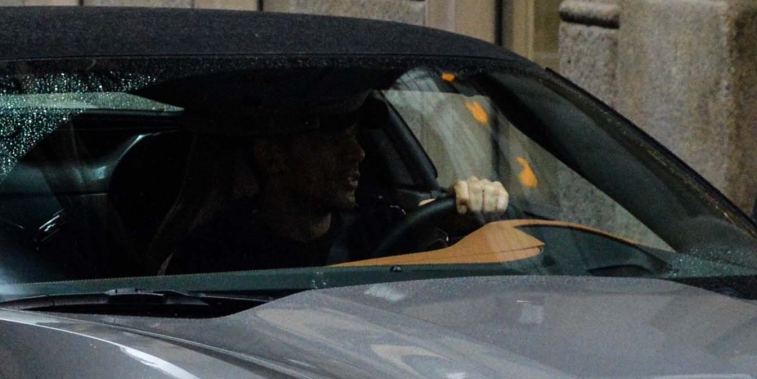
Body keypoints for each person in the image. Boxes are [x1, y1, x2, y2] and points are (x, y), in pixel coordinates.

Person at [167, 117, 511, 275]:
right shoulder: (214, 254)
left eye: (354, 137)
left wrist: (464, 216)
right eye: (333, 141)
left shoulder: (380, 229)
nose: (357, 154)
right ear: (271, 158)